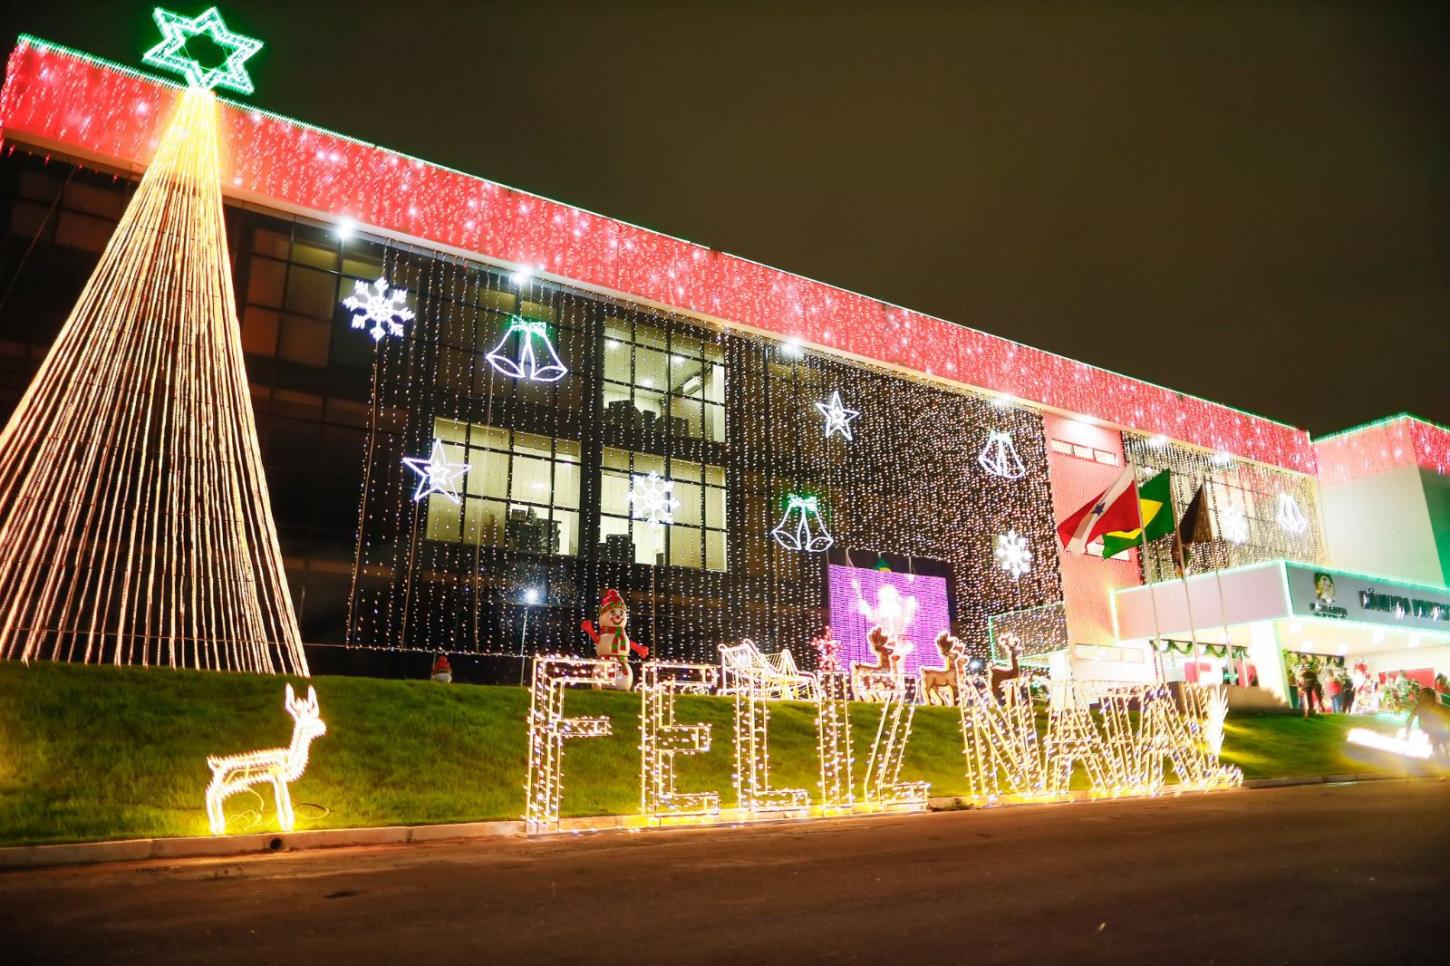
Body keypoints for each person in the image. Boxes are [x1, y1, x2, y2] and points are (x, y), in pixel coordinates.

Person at [1410, 685, 1450, 760]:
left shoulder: (1420, 707)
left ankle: (1441, 756)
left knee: (1437, 743)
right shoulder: (1438, 706)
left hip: (1430, 729)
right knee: (1442, 742)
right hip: (1439, 729)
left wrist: (1407, 733)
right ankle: (1444, 755)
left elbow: (1410, 720)